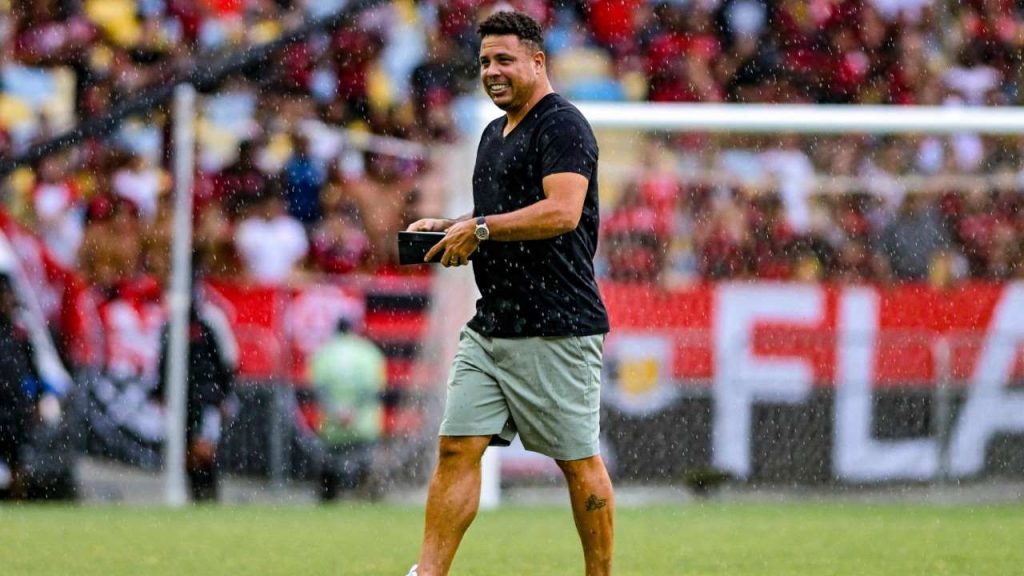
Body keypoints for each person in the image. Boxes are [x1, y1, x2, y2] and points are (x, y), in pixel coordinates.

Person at [403, 11, 613, 576]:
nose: (491, 71)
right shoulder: (492, 134)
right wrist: (453, 226)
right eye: (484, 62)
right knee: (456, 448)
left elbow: (562, 212)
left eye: (504, 60)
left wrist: (481, 229)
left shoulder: (563, 125)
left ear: (537, 62)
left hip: (558, 325)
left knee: (578, 464)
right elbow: (495, 217)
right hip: (493, 325)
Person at [153, 285, 238, 502]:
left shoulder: (209, 324)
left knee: (204, 448)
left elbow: (226, 361)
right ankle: (196, 495)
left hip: (207, 398)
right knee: (186, 451)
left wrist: (223, 394)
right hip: (181, 400)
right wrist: (161, 391)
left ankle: (209, 494)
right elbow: (163, 363)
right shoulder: (169, 327)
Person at [308, 316, 386, 501]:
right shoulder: (368, 352)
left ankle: (329, 497)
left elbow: (319, 389)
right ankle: (368, 495)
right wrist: (354, 412)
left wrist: (337, 413)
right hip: (363, 425)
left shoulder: (323, 353)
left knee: (328, 466)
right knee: (367, 462)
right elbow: (373, 389)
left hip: (332, 427)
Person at [0, 273, 61, 499]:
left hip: (14, 408)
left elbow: (34, 370)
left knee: (18, 461)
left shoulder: (19, 334)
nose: (10, 302)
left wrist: (38, 399)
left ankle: (17, 502)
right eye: (6, 296)